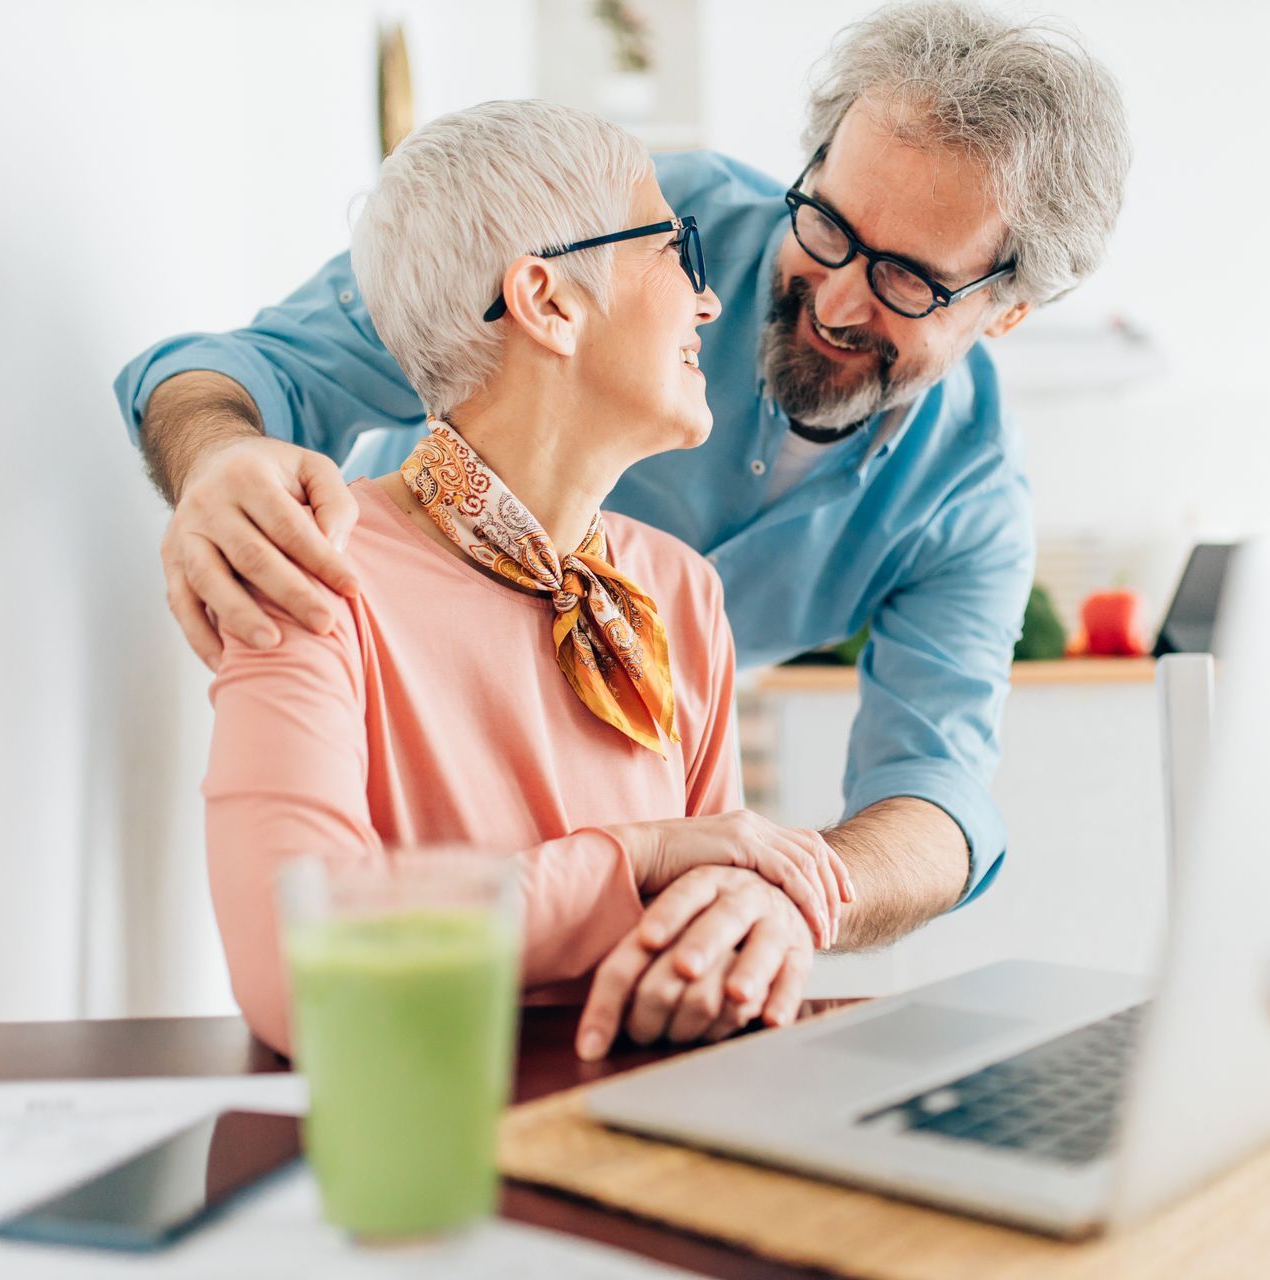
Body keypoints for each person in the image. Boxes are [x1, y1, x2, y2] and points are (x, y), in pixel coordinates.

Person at [117, 1, 1130, 1057]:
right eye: (826, 225)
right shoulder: (616, 218)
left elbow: (935, 788)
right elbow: (253, 367)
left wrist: (786, 895)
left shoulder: (728, 582)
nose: (832, 296)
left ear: (1004, 313)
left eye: (908, 279)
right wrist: (221, 468)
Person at [204, 100, 850, 1059]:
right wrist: (632, 859)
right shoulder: (310, 575)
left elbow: (712, 917)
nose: (709, 302)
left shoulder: (679, 592)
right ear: (548, 302)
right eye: (677, 253)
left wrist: (749, 932)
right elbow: (300, 972)